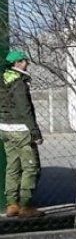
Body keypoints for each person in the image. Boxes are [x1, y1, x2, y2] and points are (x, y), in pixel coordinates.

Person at [0, 51, 43, 218]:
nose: (27, 63)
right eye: (25, 61)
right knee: (31, 167)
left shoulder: (3, 79)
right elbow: (24, 109)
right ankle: (25, 206)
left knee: (13, 166)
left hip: (4, 128)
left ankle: (12, 204)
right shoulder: (18, 82)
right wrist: (35, 132)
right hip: (21, 130)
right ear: (18, 63)